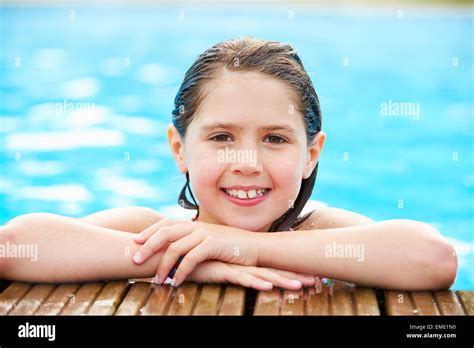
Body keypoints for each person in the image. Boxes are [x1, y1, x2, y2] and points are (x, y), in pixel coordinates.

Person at [1, 37, 457, 292]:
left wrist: (245, 247)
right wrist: (194, 261)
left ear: (310, 155)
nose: (246, 162)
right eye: (221, 138)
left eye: (275, 139)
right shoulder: (155, 231)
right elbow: (13, 247)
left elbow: (433, 258)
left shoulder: (319, 233)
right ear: (179, 149)